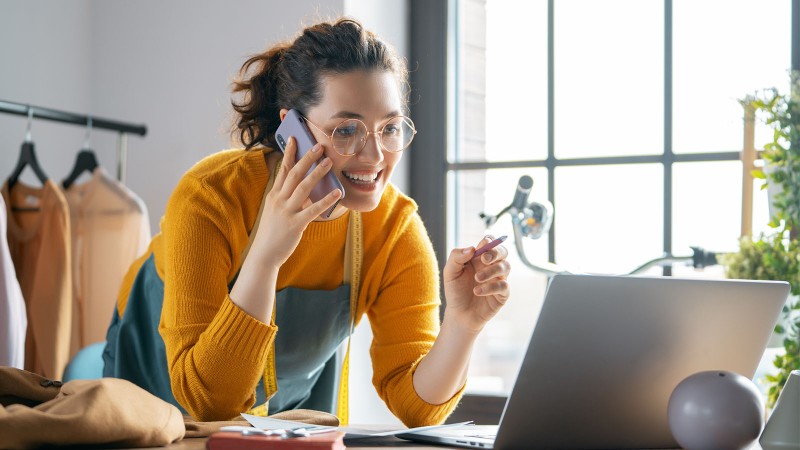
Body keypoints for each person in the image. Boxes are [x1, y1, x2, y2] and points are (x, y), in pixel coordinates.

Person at [102, 18, 511, 427]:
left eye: (388, 129)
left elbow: (415, 406)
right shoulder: (210, 198)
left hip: (277, 424)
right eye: (346, 130)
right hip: (152, 401)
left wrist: (462, 325)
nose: (374, 157)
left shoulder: (395, 229)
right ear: (290, 127)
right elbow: (208, 401)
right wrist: (265, 257)